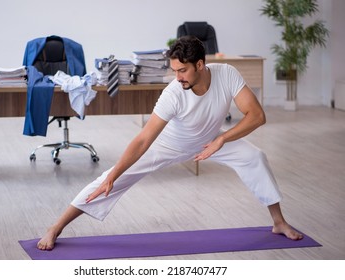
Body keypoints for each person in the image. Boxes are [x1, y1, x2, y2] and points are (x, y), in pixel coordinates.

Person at [37, 36, 303, 251]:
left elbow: (257, 116)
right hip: (170, 144)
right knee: (110, 179)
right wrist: (115, 175)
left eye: (183, 70)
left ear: (200, 65)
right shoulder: (173, 94)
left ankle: (278, 222)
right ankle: (56, 227)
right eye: (174, 70)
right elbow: (143, 139)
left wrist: (221, 139)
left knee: (255, 157)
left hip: (210, 139)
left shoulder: (227, 74)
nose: (178, 77)